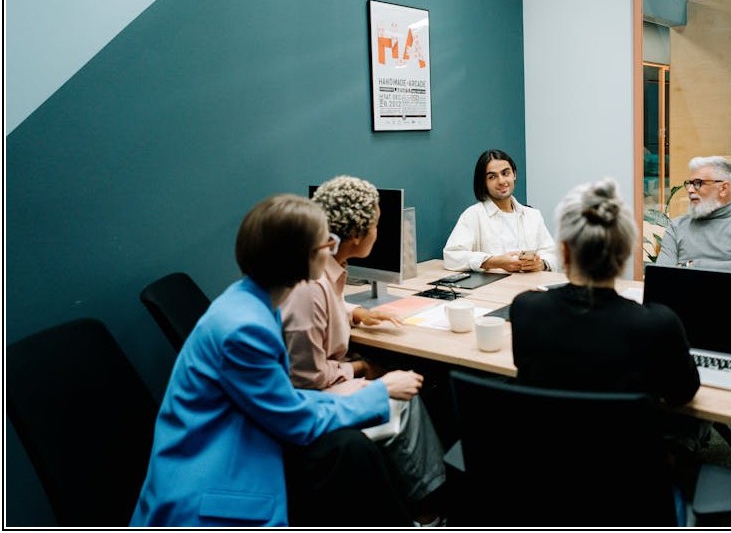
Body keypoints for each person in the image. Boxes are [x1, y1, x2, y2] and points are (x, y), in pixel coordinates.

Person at [131, 194, 421, 527]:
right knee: (351, 451)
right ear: (301, 259)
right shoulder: (245, 329)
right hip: (207, 493)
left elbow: (281, 398)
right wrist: (380, 390)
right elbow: (296, 420)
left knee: (350, 451)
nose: (333, 247)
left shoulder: (250, 300)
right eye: (326, 242)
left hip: (235, 438)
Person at [281, 176, 447, 525]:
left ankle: (409, 493)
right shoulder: (309, 285)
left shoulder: (324, 266)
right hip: (310, 403)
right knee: (408, 392)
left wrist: (357, 313)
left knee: (396, 376)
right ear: (355, 235)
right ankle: (427, 505)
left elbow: (327, 310)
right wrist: (360, 368)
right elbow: (305, 379)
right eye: (375, 224)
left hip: (322, 384)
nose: (378, 232)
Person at [509, 178, 699, 403]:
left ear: (565, 252)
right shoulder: (659, 325)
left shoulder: (526, 309)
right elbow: (682, 394)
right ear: (626, 253)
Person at [443, 149, 558, 273]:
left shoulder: (533, 216)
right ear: (484, 182)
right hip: (494, 289)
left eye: (505, 173)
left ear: (514, 174)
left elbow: (552, 254)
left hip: (531, 286)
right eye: (492, 177)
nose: (502, 181)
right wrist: (492, 262)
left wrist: (542, 264)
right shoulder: (473, 215)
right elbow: (452, 256)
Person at [657, 155, 731, 275]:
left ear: (723, 189)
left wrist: (689, 265)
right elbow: (662, 276)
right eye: (689, 183)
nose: (690, 190)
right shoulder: (677, 226)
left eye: (698, 183)